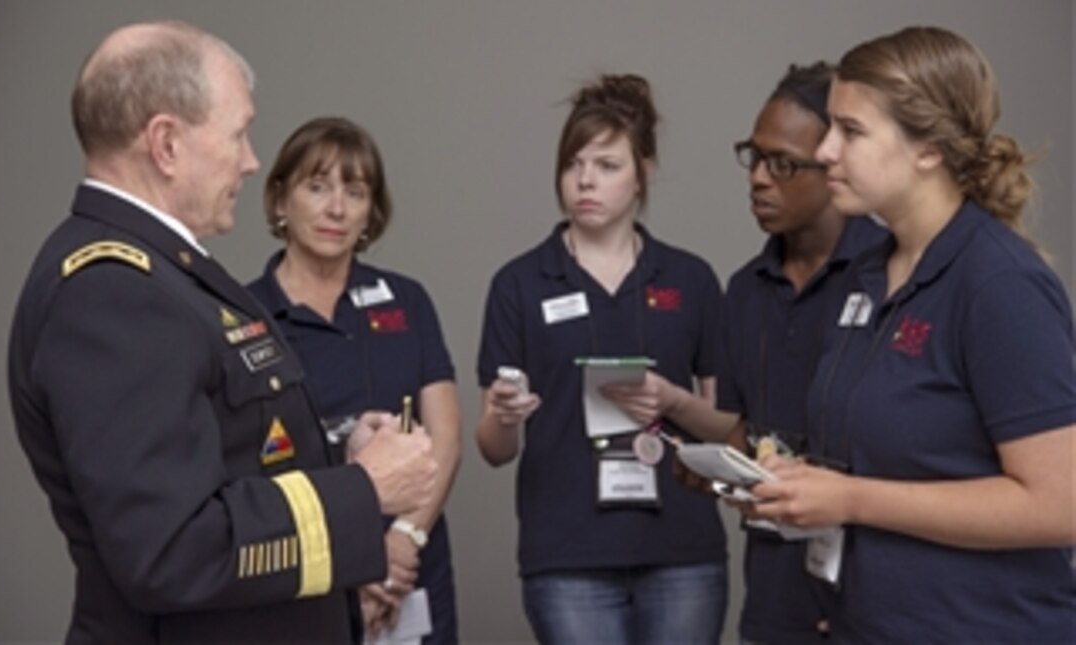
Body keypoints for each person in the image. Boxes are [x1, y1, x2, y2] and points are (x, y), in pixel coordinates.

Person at [7, 20, 438, 645]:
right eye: (238, 134)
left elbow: (220, 456)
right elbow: (173, 549)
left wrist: (340, 460)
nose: (251, 160)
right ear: (166, 144)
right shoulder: (113, 292)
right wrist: (363, 489)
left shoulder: (163, 273)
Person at [749, 26, 1076, 642]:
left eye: (851, 131)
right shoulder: (867, 272)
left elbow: (1062, 506)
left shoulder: (998, 283)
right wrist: (795, 491)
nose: (824, 152)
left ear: (927, 149)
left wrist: (850, 499)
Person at [476, 73, 738, 644]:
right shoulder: (519, 284)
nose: (585, 180)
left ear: (642, 173)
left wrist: (673, 400)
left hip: (682, 550)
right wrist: (501, 416)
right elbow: (495, 452)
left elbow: (726, 433)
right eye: (573, 164)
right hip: (566, 555)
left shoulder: (691, 280)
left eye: (607, 165)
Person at [247, 116, 462, 643]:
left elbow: (447, 439)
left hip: (412, 566)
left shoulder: (407, 302)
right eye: (316, 186)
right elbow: (246, 471)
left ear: (372, 211)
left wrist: (404, 542)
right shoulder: (244, 316)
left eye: (355, 191)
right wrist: (360, 557)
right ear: (280, 199)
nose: (336, 209)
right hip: (307, 574)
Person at [715, 62, 886, 644]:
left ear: (835, 163)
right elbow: (745, 429)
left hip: (876, 586)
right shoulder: (743, 289)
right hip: (774, 589)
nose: (759, 178)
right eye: (753, 156)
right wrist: (711, 463)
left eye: (783, 164)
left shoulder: (892, 277)